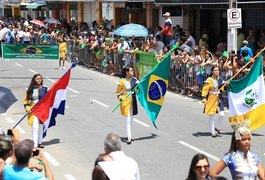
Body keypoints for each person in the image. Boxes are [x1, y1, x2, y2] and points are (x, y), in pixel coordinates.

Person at [24, 74, 48, 148]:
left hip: (42, 110)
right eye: (37, 78)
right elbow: (25, 101)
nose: (39, 80)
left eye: (40, 78)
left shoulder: (45, 89)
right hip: (33, 110)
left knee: (40, 127)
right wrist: (28, 109)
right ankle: (34, 144)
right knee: (35, 127)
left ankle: (39, 142)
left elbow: (47, 99)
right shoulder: (30, 89)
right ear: (34, 79)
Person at [116, 67, 138, 144]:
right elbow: (118, 92)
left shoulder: (134, 80)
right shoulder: (122, 81)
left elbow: (137, 91)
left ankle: (129, 136)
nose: (132, 72)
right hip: (125, 102)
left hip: (133, 101)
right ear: (127, 72)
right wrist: (121, 98)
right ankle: (129, 138)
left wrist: (137, 88)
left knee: (131, 119)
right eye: (131, 71)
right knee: (128, 120)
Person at [201, 66, 226, 137]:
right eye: (215, 70)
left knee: (222, 114)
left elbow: (222, 89)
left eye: (218, 70)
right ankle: (212, 131)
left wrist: (225, 85)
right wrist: (204, 98)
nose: (217, 71)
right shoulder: (209, 80)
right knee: (212, 116)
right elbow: (205, 90)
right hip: (211, 99)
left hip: (219, 99)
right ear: (212, 71)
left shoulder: (220, 79)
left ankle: (217, 128)